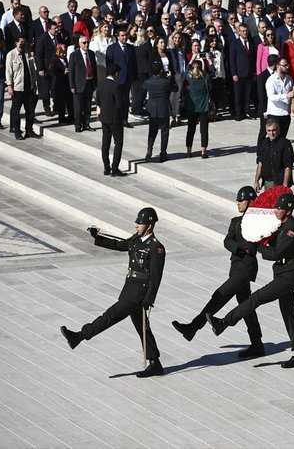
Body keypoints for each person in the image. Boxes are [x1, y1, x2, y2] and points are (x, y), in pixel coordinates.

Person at [60, 207, 166, 378]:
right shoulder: (136, 240)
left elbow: (156, 276)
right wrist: (98, 237)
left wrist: (149, 299)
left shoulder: (156, 247)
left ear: (150, 225)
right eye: (137, 222)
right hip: (130, 289)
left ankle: (80, 336)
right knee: (143, 327)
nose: (136, 225)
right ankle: (155, 364)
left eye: (140, 223)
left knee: (110, 315)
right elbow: (120, 244)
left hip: (139, 294)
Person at [207, 193, 294, 369]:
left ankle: (224, 322)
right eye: (276, 207)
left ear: (289, 210)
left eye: (279, 208)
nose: (276, 210)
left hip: (289, 274)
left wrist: (257, 245)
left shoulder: (292, 228)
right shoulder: (282, 225)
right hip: (282, 272)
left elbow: (276, 253)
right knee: (288, 313)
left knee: (256, 298)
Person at [172, 186, 265, 358]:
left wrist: (241, 247)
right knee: (246, 307)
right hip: (236, 267)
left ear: (251, 202)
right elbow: (227, 241)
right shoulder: (235, 222)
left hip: (246, 269)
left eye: (241, 200)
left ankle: (193, 327)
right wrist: (240, 247)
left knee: (220, 295)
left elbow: (253, 245)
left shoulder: (259, 222)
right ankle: (257, 344)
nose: (238, 203)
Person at [143, 61, 177, 162]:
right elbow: (175, 88)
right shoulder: (166, 82)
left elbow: (143, 88)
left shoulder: (148, 82)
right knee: (164, 131)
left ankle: (149, 149)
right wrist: (171, 78)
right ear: (161, 70)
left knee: (152, 131)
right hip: (163, 108)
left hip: (152, 108)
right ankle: (163, 153)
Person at [5, 35, 37, 139]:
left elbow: (32, 70)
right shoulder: (11, 55)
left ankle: (29, 130)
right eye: (21, 42)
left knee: (30, 111)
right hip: (18, 87)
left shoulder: (28, 54)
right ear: (16, 43)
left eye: (24, 42)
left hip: (29, 87)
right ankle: (17, 131)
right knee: (16, 111)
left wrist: (34, 84)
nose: (23, 44)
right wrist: (10, 86)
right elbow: (9, 71)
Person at [96, 63, 126, 177]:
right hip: (115, 119)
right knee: (118, 142)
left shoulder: (101, 85)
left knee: (105, 143)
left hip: (104, 117)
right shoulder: (116, 86)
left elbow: (98, 101)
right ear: (116, 74)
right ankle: (115, 168)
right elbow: (119, 104)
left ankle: (106, 167)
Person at [68, 34, 97, 132]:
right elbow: (71, 72)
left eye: (87, 42)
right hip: (79, 84)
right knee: (78, 107)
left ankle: (86, 124)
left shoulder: (92, 54)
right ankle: (78, 125)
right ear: (79, 44)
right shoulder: (74, 55)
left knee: (88, 106)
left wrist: (95, 83)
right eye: (84, 43)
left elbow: (94, 69)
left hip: (89, 82)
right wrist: (72, 86)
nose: (86, 45)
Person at [184, 59, 212, 158]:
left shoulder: (189, 77)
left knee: (190, 129)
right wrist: (210, 60)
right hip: (203, 107)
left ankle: (188, 151)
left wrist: (192, 59)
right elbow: (212, 71)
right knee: (204, 130)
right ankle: (203, 152)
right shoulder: (205, 78)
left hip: (192, 107)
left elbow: (186, 70)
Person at [255, 118, 294, 190]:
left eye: (274, 130)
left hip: (280, 182)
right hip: (268, 181)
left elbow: (288, 166)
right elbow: (260, 163)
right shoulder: (264, 143)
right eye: (269, 131)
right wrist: (256, 181)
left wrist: (285, 185)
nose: (271, 133)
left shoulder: (285, 144)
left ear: (278, 130)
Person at [51, 44, 74, 124]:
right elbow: (54, 72)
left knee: (69, 101)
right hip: (59, 83)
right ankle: (62, 119)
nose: (63, 54)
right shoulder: (54, 59)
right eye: (62, 52)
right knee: (61, 102)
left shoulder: (64, 59)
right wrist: (63, 73)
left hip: (66, 83)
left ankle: (71, 117)